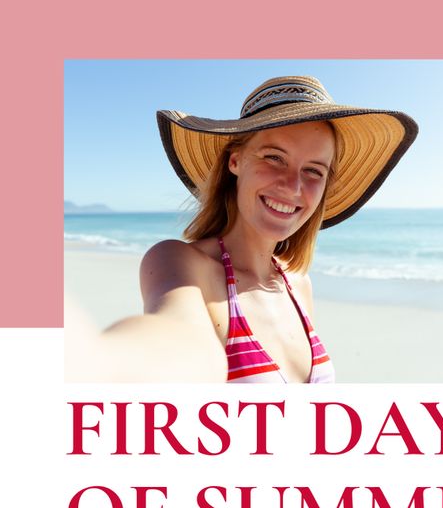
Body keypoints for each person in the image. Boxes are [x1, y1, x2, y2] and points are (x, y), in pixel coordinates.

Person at [66, 76, 417, 383]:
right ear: (236, 161)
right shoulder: (183, 264)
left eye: (314, 171)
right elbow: (180, 342)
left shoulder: (299, 283)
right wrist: (99, 366)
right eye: (274, 157)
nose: (293, 186)